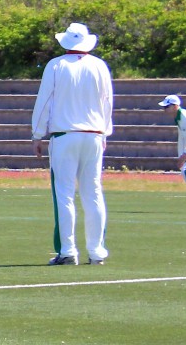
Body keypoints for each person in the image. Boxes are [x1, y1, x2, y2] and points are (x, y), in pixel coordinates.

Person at [31, 22, 113, 266]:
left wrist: (37, 133)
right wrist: (105, 132)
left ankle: (68, 250)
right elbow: (107, 102)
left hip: (65, 135)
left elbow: (44, 100)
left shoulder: (56, 65)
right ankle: (96, 251)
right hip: (94, 134)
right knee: (93, 192)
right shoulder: (100, 66)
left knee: (64, 193)